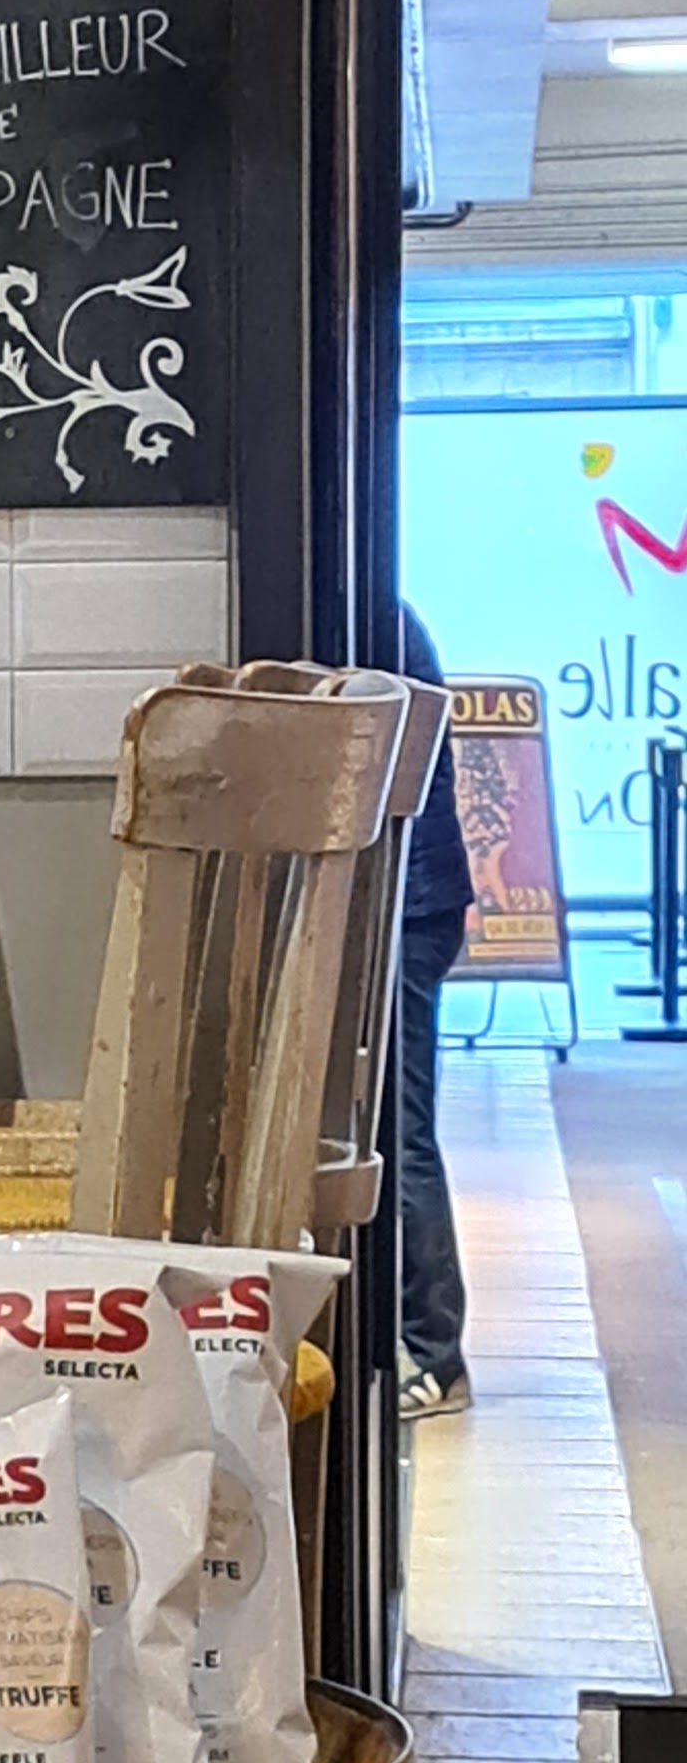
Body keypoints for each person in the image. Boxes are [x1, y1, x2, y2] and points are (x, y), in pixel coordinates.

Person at [395, 602, 473, 1418]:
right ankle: (423, 1342)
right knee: (402, 1128)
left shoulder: (370, 621)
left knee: (402, 1130)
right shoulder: (390, 617)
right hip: (423, 902)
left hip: (409, 907)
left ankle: (433, 1351)